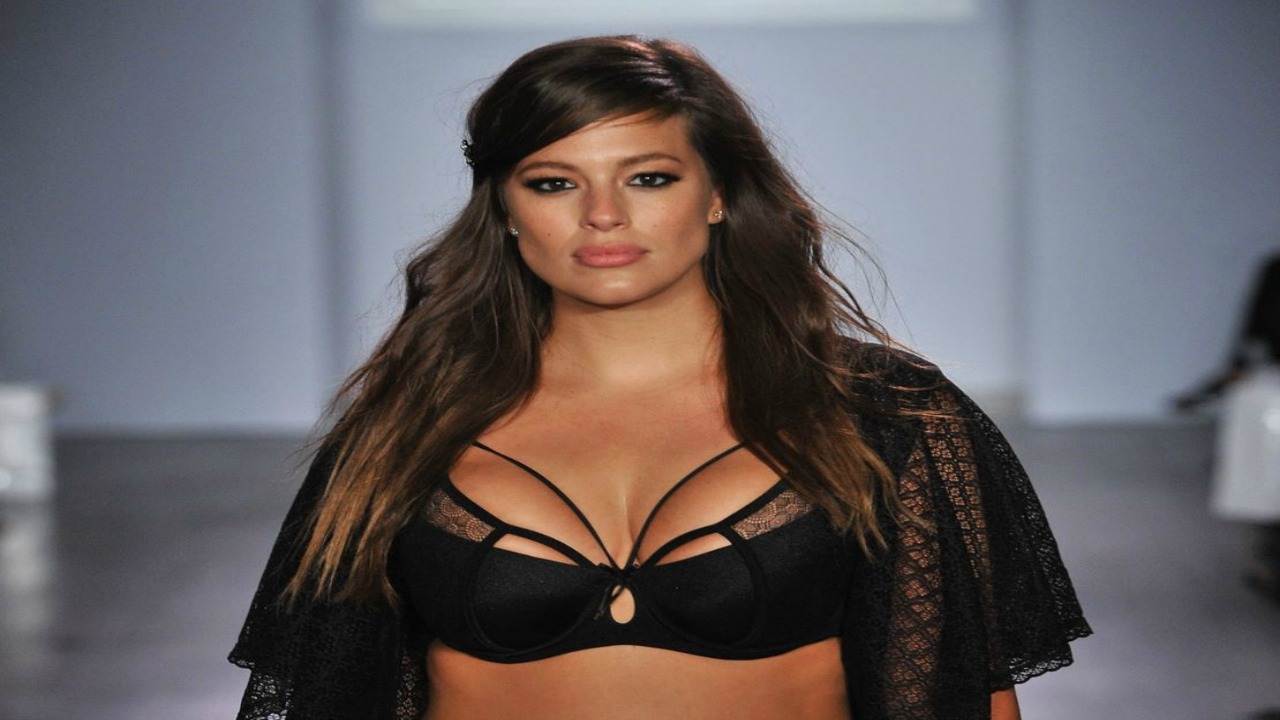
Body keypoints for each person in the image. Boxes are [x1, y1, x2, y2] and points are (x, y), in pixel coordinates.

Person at [229, 36, 1090, 720]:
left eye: (648, 177)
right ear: (505, 209)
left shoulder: (883, 411)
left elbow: (963, 690)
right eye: (553, 182)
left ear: (717, 194)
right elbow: (328, 686)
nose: (603, 215)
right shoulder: (410, 420)